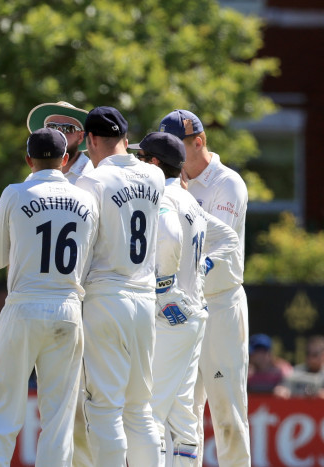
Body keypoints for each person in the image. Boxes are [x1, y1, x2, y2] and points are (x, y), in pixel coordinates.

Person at [0, 128, 98, 466]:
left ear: (28, 159)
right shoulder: (87, 199)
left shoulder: (15, 193)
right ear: (64, 160)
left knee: (1, 410)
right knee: (58, 420)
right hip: (68, 307)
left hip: (24, 305)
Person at [133, 132, 239, 465]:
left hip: (170, 316)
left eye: (141, 158)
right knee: (181, 414)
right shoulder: (188, 198)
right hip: (195, 315)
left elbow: (167, 234)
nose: (136, 163)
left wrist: (165, 288)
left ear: (153, 162)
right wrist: (202, 266)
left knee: (149, 412)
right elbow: (228, 237)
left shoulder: (161, 197)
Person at [74, 106, 165, 465]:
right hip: (144, 298)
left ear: (92, 139)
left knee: (105, 409)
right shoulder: (155, 177)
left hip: (105, 296)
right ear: (126, 139)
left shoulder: (92, 180)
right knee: (140, 408)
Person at [159, 109, 250, 466]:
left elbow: (213, 247)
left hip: (219, 303)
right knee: (183, 410)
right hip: (183, 307)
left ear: (198, 142)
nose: (172, 154)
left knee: (227, 410)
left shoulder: (227, 183)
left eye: (177, 146)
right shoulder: (170, 180)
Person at [26, 100, 94, 466]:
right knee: (54, 405)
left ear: (82, 136)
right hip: (43, 302)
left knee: (84, 405)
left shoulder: (95, 176)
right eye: (53, 128)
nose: (60, 136)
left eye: (68, 129)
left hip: (86, 299)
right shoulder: (33, 178)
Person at [27, 101, 93, 183]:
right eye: (51, 127)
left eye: (68, 128)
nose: (58, 133)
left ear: (80, 137)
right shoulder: (31, 179)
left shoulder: (92, 176)